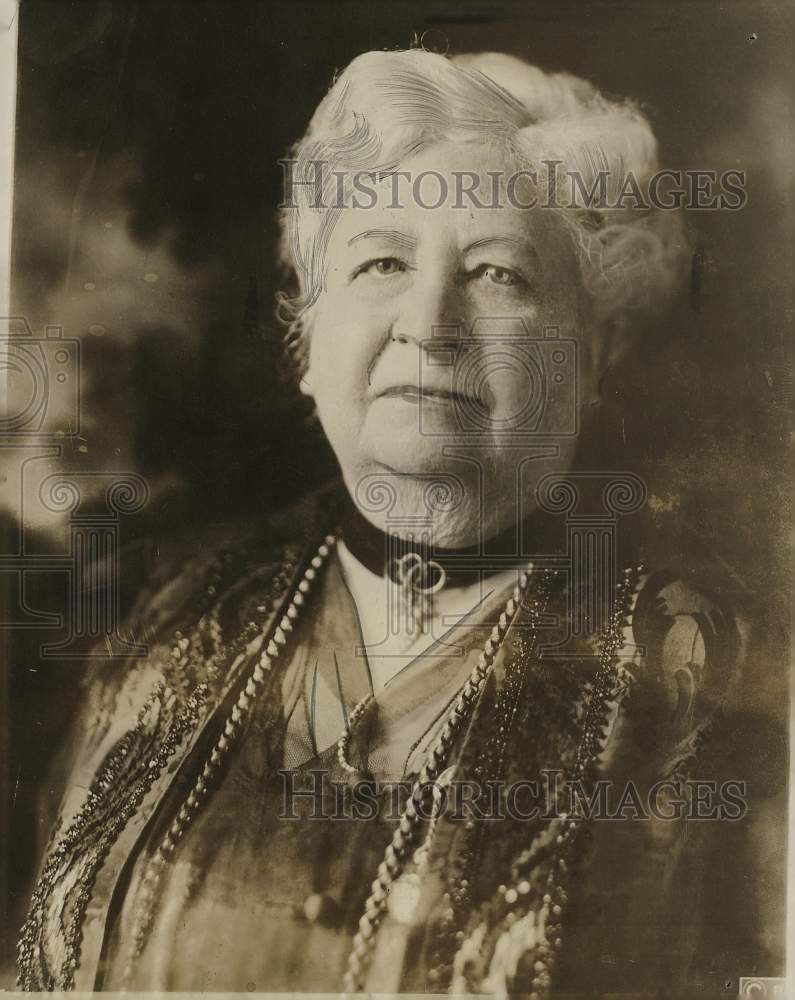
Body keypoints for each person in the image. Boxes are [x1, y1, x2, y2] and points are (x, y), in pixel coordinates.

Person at [18, 49, 753, 996]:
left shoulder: (710, 680)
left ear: (592, 351)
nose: (428, 321)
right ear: (307, 344)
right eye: (382, 261)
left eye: (497, 275)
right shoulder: (167, 627)